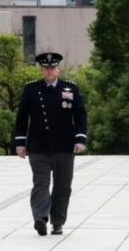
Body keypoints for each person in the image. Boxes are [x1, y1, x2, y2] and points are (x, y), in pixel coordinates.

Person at [14, 51, 87, 236]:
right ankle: (41, 218)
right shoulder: (31, 90)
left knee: (63, 185)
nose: (49, 71)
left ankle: (57, 221)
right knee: (41, 183)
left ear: (58, 69)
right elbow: (22, 118)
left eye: (52, 68)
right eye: (46, 68)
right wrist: (20, 142)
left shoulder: (70, 89)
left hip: (63, 145)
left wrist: (80, 139)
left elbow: (80, 115)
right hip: (39, 145)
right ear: (41, 70)